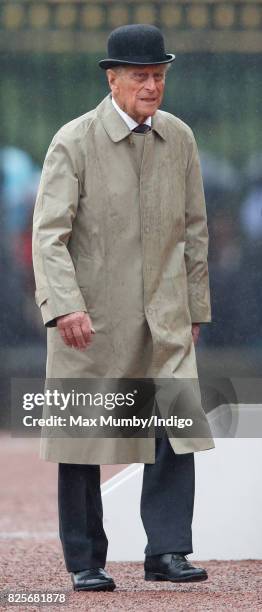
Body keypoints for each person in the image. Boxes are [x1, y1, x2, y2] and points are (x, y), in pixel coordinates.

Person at [32, 24, 215, 592]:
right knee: (83, 439)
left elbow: (195, 231)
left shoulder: (180, 138)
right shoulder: (74, 141)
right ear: (112, 78)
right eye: (140, 76)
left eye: (159, 76)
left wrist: (195, 311)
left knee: (173, 432)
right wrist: (65, 308)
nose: (152, 86)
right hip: (92, 319)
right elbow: (49, 236)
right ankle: (85, 561)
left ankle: (168, 552)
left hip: (164, 316)